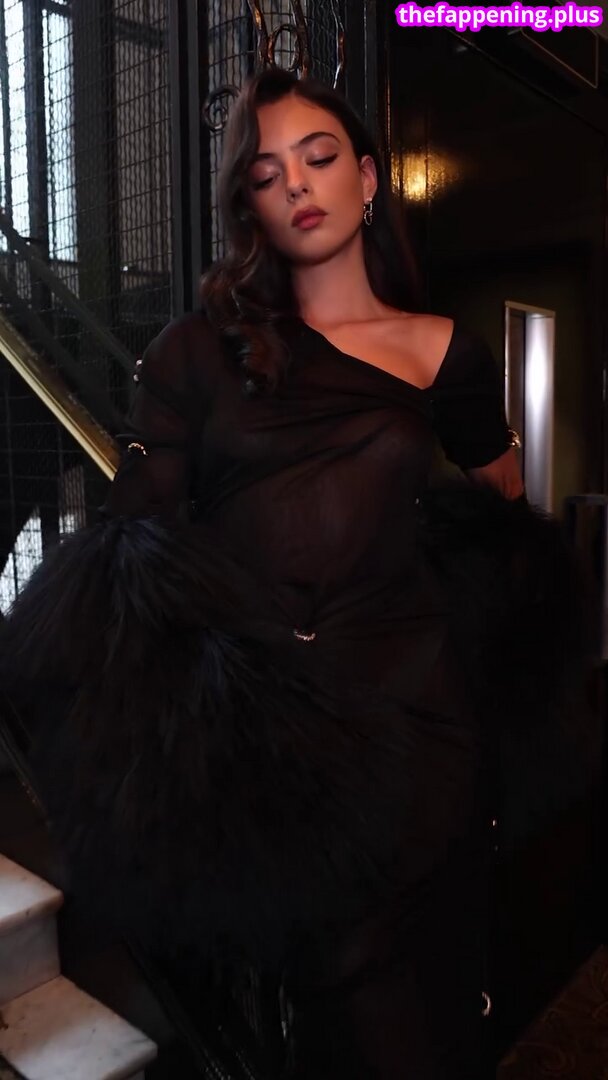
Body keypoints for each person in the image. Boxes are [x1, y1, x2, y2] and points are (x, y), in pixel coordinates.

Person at [0, 67, 595, 1080]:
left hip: (423, 719)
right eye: (267, 174)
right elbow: (136, 542)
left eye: (318, 158)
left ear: (367, 178)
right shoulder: (196, 353)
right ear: (251, 208)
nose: (298, 186)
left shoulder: (442, 352)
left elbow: (500, 506)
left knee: (436, 995)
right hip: (287, 748)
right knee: (341, 1009)